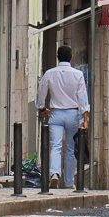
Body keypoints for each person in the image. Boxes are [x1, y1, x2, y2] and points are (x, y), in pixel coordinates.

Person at [35, 45, 89, 189]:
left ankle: (54, 173)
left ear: (57, 57)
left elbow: (41, 92)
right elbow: (82, 97)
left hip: (56, 113)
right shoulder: (77, 74)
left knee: (55, 146)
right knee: (71, 148)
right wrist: (85, 118)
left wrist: (42, 108)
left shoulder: (49, 73)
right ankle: (69, 182)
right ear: (71, 57)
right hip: (72, 114)